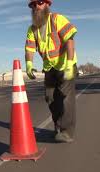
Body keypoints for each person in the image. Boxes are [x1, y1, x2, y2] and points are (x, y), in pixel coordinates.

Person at [25, 0, 77, 143]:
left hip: (65, 64)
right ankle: (58, 126)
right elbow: (29, 48)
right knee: (50, 98)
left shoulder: (57, 19)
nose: (37, 7)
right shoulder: (32, 29)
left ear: (47, 5)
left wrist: (70, 63)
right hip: (49, 68)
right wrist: (29, 64)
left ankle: (67, 132)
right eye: (33, 5)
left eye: (40, 3)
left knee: (65, 97)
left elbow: (69, 40)